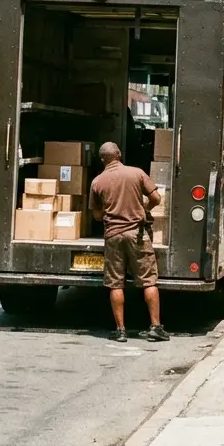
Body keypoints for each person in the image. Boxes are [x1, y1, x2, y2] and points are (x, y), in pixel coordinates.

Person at [88, 142, 168, 343]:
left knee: (116, 283)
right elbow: (156, 198)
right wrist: (144, 208)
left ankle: (121, 330)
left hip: (113, 235)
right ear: (119, 155)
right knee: (148, 280)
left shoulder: (97, 182)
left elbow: (97, 215)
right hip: (137, 233)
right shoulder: (136, 173)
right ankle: (155, 327)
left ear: (102, 159)